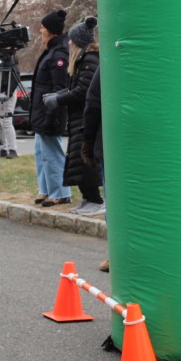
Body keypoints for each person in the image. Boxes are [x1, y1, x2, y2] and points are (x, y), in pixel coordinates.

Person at [46, 16, 102, 216]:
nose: (68, 43)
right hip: (77, 119)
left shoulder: (89, 60)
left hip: (84, 119)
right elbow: (75, 87)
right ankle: (87, 197)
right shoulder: (81, 61)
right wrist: (58, 95)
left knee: (85, 162)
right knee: (77, 162)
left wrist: (59, 99)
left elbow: (84, 91)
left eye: (71, 40)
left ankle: (96, 199)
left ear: (79, 42)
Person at [29, 9, 71, 207]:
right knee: (41, 152)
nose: (40, 30)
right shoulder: (51, 52)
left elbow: (59, 89)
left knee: (52, 153)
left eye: (43, 28)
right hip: (41, 112)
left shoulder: (59, 55)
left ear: (52, 31)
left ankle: (60, 192)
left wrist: (50, 117)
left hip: (50, 113)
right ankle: (45, 189)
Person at [81, 64, 109, 271]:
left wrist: (88, 141)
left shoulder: (109, 63)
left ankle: (116, 255)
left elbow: (93, 103)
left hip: (112, 146)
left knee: (115, 204)